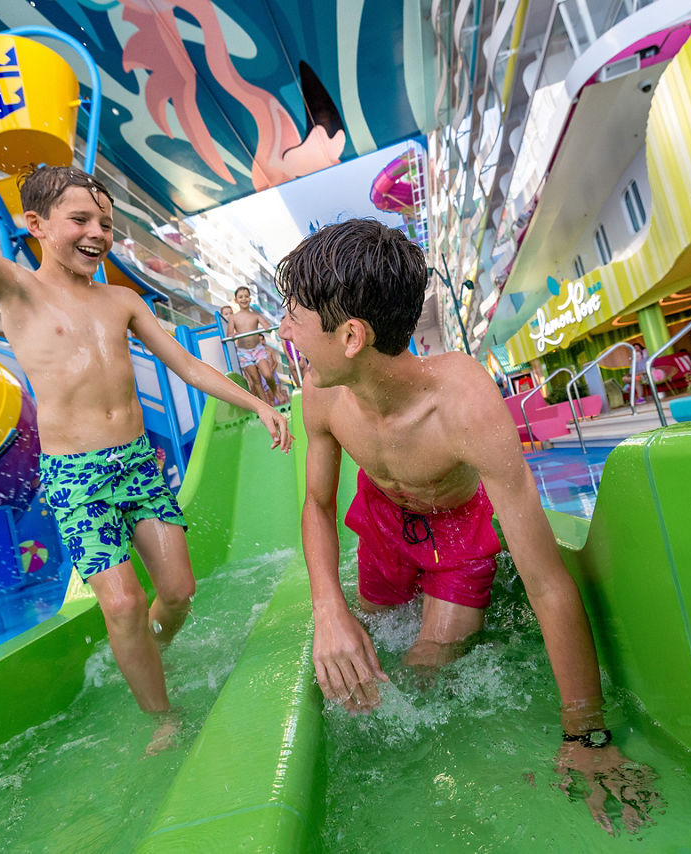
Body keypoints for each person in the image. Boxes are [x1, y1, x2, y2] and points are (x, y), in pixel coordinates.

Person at [0, 139, 291, 750]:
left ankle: (137, 654)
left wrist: (259, 402)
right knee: (123, 604)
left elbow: (188, 366)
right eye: (79, 219)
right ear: (36, 225)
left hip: (137, 464)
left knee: (179, 593)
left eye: (105, 222)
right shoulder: (17, 289)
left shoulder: (122, 301)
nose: (96, 232)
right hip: (75, 475)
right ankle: (163, 714)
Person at [276, 219, 659, 834]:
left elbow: (547, 582)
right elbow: (316, 506)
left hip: (456, 531)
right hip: (380, 523)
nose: (284, 331)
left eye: (294, 317)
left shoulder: (463, 407)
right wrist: (328, 607)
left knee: (428, 673)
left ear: (351, 335)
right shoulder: (320, 394)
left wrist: (586, 733)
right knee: (370, 661)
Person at [225, 286, 282, 406]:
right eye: (241, 297)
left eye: (246, 296)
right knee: (256, 380)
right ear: (236, 300)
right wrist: (233, 334)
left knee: (267, 374)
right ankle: (265, 405)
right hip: (244, 352)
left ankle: (275, 391)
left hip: (258, 349)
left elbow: (267, 327)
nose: (244, 299)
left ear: (250, 299)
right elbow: (229, 334)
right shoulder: (233, 318)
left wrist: (267, 327)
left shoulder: (255, 315)